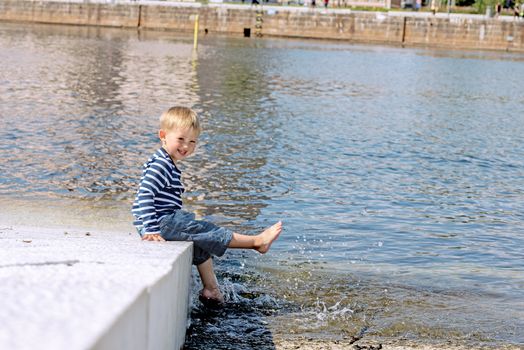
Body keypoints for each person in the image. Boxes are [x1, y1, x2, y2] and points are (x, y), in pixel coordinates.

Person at [132, 106, 283, 305]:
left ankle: (211, 289)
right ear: (163, 136)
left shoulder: (167, 162)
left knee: (201, 245)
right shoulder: (160, 164)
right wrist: (151, 229)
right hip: (162, 222)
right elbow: (144, 193)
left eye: (192, 141)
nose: (186, 146)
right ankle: (256, 242)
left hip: (164, 220)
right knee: (207, 230)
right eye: (181, 139)